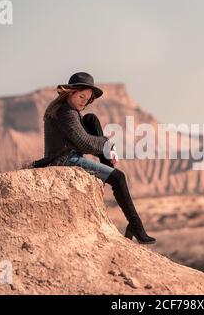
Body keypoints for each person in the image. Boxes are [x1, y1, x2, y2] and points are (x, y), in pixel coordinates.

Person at [33, 72, 156, 244]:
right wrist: (109, 145)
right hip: (65, 161)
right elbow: (83, 142)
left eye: (88, 98)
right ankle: (136, 226)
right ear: (70, 93)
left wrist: (106, 148)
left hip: (69, 156)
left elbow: (83, 138)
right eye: (81, 96)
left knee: (90, 119)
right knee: (118, 177)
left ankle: (110, 170)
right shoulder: (66, 112)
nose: (84, 101)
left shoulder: (70, 110)